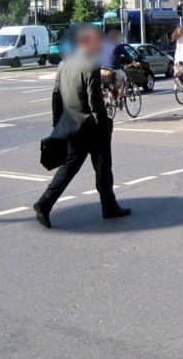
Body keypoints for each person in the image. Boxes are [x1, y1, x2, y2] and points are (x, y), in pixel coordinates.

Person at [34, 25, 130, 228]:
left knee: (69, 167)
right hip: (91, 127)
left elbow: (56, 97)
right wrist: (105, 125)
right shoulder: (91, 65)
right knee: (103, 167)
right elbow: (95, 102)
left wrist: (58, 125)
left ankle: (46, 203)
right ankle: (107, 206)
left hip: (71, 125)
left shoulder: (63, 65)